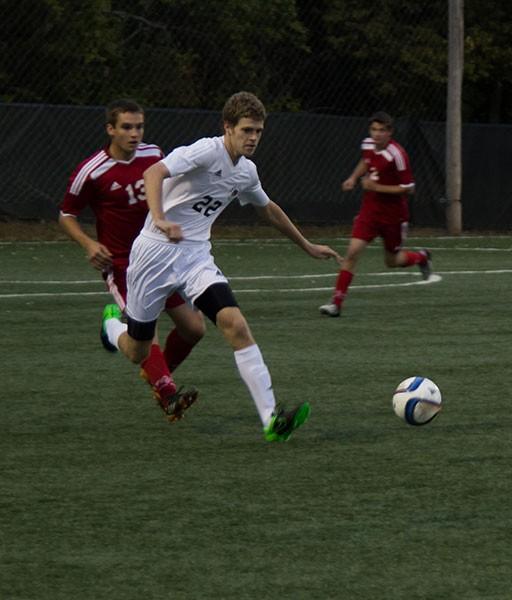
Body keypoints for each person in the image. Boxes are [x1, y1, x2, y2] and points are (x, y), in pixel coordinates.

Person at [100, 91, 341, 442]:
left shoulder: (246, 172)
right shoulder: (206, 150)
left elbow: (267, 208)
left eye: (258, 131)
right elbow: (154, 172)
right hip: (152, 255)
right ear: (227, 127)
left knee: (235, 324)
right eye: (246, 130)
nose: (253, 137)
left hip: (195, 258)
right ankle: (110, 326)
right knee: (137, 349)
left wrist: (306, 244)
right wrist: (160, 218)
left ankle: (271, 420)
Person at [59, 99, 205, 421]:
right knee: (146, 336)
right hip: (124, 265)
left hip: (161, 257)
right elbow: (66, 214)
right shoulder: (93, 170)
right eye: (126, 127)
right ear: (110, 129)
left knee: (194, 329)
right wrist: (88, 243)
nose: (134, 133)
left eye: (139, 126)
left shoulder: (154, 156)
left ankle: (134, 349)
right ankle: (167, 392)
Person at [318, 112, 431, 317]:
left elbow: (409, 189)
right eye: (374, 130)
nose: (377, 134)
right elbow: (366, 161)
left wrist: (375, 187)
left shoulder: (398, 155)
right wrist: (353, 177)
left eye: (382, 130)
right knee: (352, 253)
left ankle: (421, 257)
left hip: (394, 216)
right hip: (370, 211)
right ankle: (336, 303)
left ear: (390, 132)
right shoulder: (368, 144)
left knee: (392, 261)